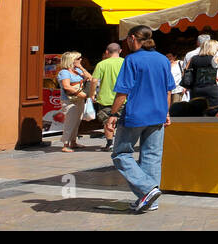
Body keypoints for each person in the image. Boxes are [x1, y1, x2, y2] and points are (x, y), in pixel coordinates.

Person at [104, 26, 172, 214]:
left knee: (120, 154)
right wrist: (166, 112)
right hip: (158, 113)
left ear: (132, 38)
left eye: (127, 39)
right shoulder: (163, 60)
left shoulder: (132, 60)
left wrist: (112, 114)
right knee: (152, 156)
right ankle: (150, 199)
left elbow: (123, 91)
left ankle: (148, 189)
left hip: (136, 114)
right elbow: (168, 90)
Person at [56, 52, 93, 152]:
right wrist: (79, 93)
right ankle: (65, 144)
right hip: (69, 101)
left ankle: (73, 142)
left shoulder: (77, 70)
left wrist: (81, 67)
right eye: (78, 58)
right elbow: (66, 86)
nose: (81, 59)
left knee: (77, 122)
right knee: (70, 122)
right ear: (71, 60)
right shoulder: (64, 72)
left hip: (79, 100)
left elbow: (90, 78)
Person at [91, 43, 125, 149]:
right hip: (123, 98)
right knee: (123, 122)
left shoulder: (101, 64)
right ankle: (122, 143)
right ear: (120, 51)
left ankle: (110, 143)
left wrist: (92, 94)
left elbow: (94, 80)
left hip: (105, 98)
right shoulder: (126, 63)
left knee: (108, 121)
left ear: (107, 52)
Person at [185, 39, 218, 112]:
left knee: (197, 111)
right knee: (215, 110)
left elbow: (186, 71)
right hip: (211, 88)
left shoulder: (193, 58)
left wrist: (187, 84)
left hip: (196, 89)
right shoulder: (215, 58)